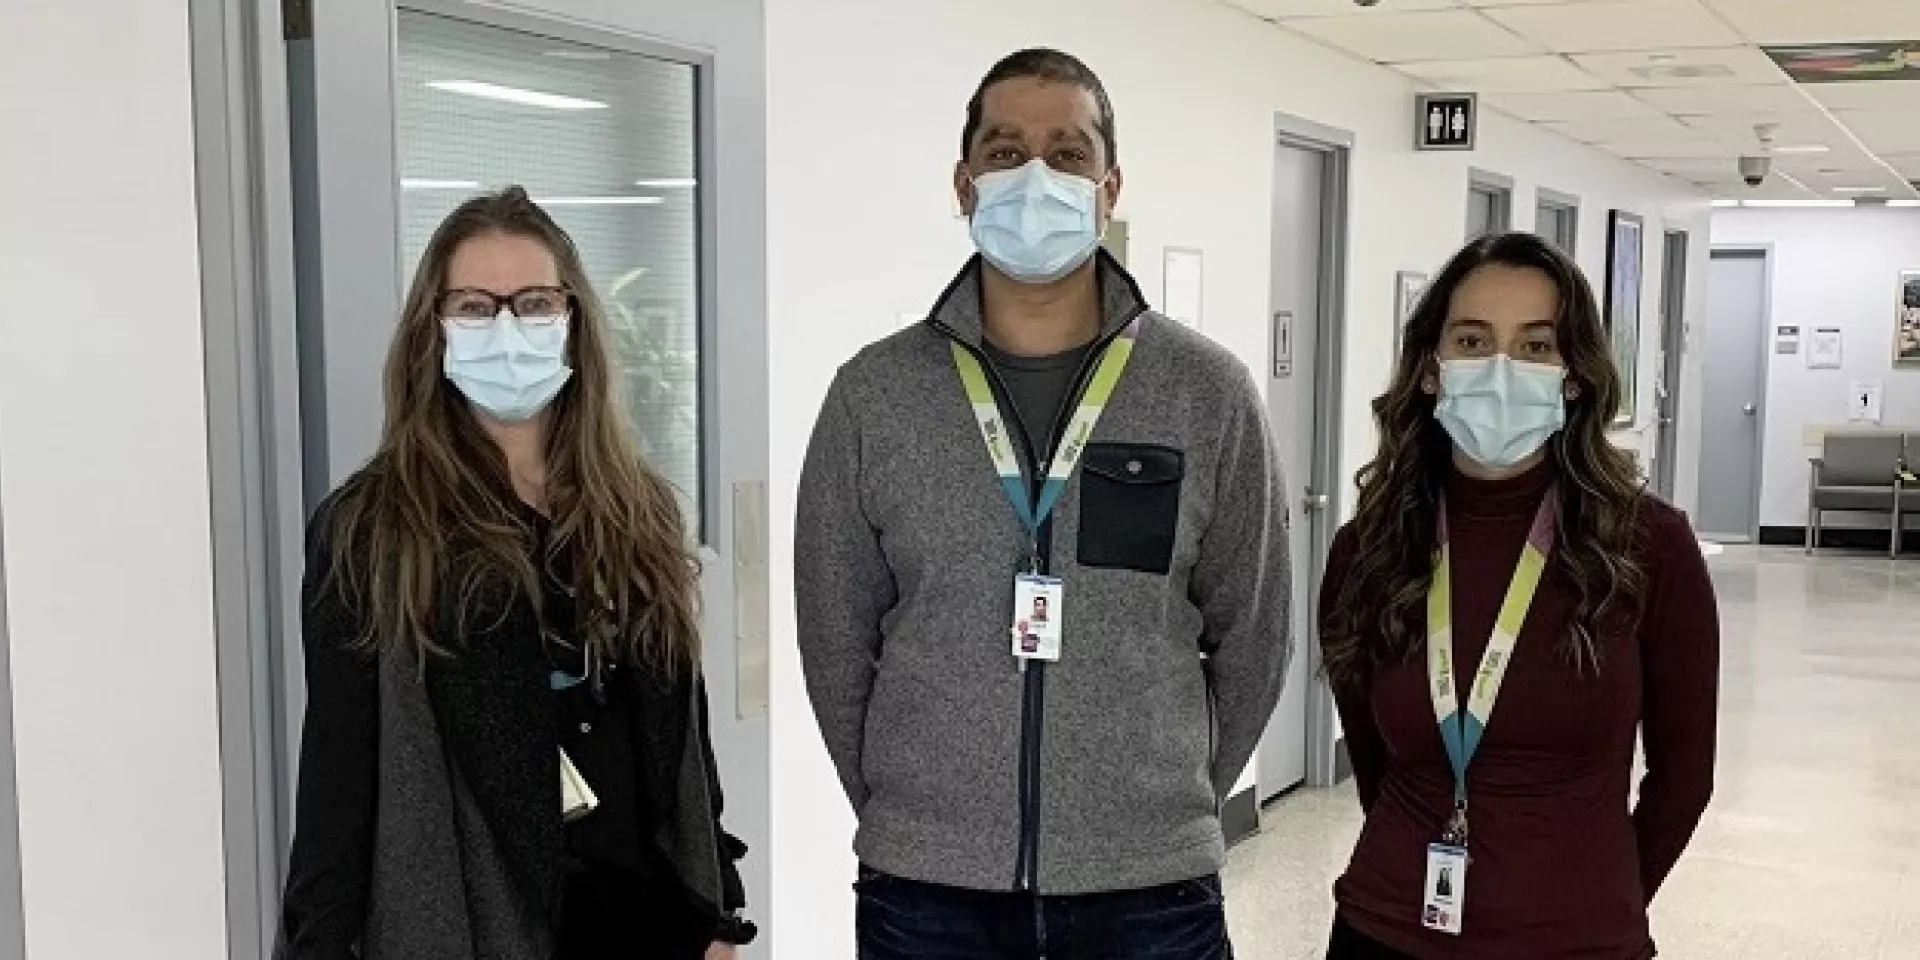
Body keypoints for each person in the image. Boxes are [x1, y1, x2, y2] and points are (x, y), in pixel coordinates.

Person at [796, 48, 1292, 960]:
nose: (1035, 175)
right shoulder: (873, 395)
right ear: (964, 182)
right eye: (1005, 149)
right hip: (928, 888)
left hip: (1149, 888)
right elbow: (835, 637)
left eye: (1066, 153)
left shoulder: (1206, 392)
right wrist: (910, 809)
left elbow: (1254, 632)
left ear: (1109, 187)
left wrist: (1169, 799)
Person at [277, 187, 753, 960]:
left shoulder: (637, 510)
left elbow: (680, 737)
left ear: (572, 322)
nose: (506, 328)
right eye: (473, 306)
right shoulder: (373, 528)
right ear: (433, 330)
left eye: (533, 302)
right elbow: (337, 782)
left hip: (649, 920)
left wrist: (719, 908)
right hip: (478, 922)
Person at [1318, 232, 1719, 959]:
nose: (1500, 368)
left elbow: (1683, 780)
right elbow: (1376, 766)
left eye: (1536, 346)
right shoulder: (1369, 548)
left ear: (1574, 375)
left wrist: (1597, 896)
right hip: (1386, 930)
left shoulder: (1649, 547)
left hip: (1579, 940)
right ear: (1433, 368)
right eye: (1472, 340)